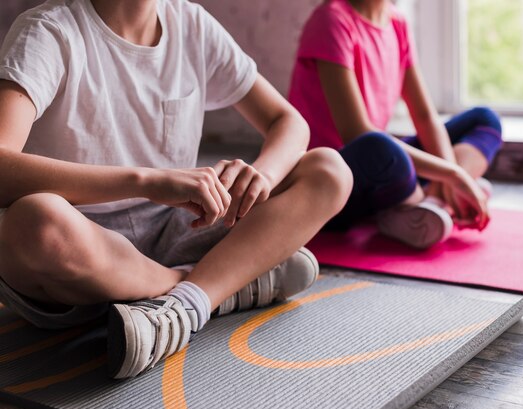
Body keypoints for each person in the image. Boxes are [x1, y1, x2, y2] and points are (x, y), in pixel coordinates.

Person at [0, 0, 352, 379]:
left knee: (329, 170)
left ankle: (183, 303)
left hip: (180, 227)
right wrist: (148, 180)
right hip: (80, 254)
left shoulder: (190, 23)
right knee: (36, 222)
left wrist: (261, 176)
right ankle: (214, 288)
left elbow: (288, 122)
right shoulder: (49, 30)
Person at [289, 0, 503, 249]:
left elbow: (424, 116)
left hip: (380, 166)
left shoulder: (397, 22)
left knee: (485, 120)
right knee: (380, 147)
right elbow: (356, 133)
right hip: (332, 179)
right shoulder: (331, 20)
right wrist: (455, 173)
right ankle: (427, 202)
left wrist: (451, 175)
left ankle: (433, 201)